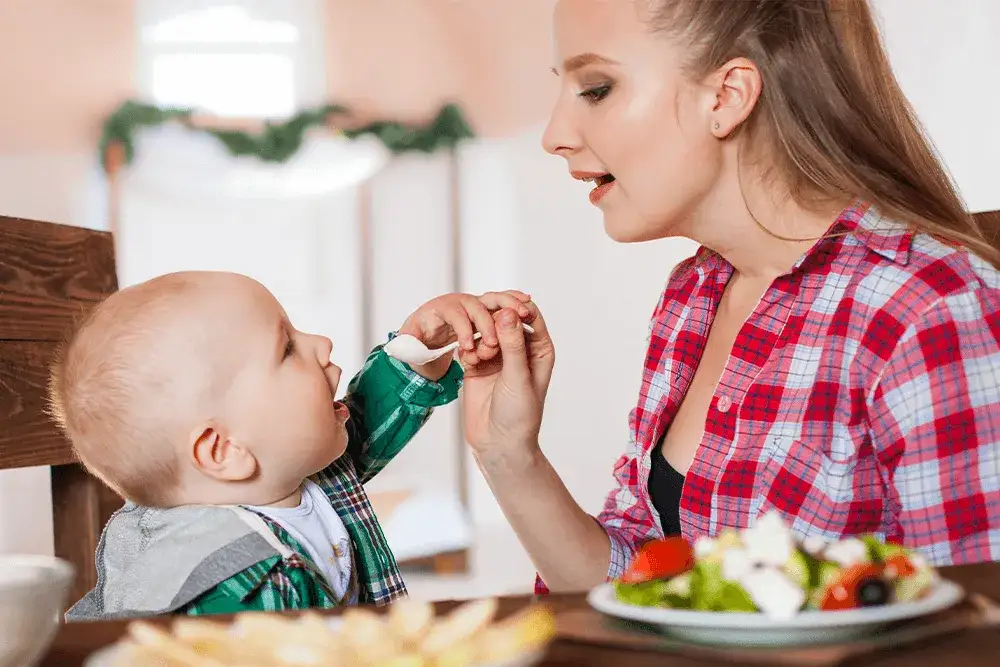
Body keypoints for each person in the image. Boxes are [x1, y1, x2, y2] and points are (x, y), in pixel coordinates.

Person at [458, 0, 1000, 594]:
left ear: (727, 96)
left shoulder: (927, 308)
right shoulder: (695, 293)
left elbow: (977, 622)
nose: (554, 137)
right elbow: (640, 587)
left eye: (596, 88)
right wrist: (509, 454)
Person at [49, 270, 532, 619]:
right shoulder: (230, 589)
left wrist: (418, 349)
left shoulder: (288, 474)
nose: (321, 342)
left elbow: (361, 426)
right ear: (224, 450)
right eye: (286, 348)